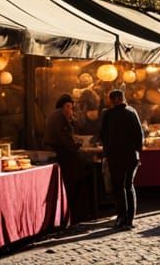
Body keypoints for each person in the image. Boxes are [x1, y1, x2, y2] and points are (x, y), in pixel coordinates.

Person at [98, 89, 143, 229]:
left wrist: (106, 150)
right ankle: (129, 219)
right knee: (129, 186)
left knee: (118, 187)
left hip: (115, 156)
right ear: (123, 99)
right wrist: (138, 151)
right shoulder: (132, 112)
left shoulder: (108, 114)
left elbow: (102, 135)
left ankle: (121, 217)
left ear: (113, 100)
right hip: (130, 156)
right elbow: (139, 134)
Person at [46, 94, 92, 222]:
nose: (70, 110)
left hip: (63, 154)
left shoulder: (56, 115)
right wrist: (76, 146)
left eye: (71, 107)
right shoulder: (59, 116)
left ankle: (75, 213)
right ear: (62, 106)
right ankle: (76, 214)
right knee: (77, 181)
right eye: (68, 107)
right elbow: (64, 139)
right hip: (64, 156)